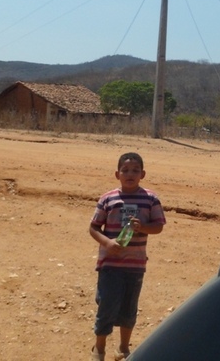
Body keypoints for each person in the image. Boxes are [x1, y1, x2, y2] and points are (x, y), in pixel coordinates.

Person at [89, 152, 166, 360]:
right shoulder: (108, 198)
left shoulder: (150, 199)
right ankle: (99, 348)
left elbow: (159, 226)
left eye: (135, 170)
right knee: (106, 307)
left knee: (129, 309)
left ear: (143, 174)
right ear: (117, 174)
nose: (130, 174)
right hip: (110, 263)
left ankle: (123, 347)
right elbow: (94, 227)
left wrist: (144, 227)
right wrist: (107, 242)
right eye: (125, 170)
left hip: (135, 264)